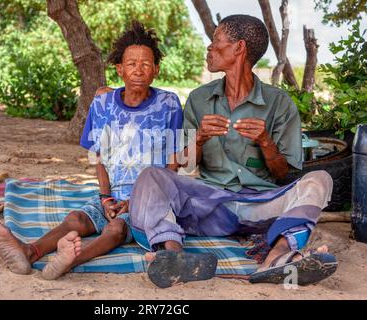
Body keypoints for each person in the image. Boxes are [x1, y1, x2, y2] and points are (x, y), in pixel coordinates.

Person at [129, 14, 337, 288]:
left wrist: (265, 142)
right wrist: (200, 139)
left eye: (216, 41)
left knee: (320, 179)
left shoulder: (278, 103)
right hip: (209, 208)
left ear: (238, 48)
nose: (209, 48)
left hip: (262, 208)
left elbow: (282, 172)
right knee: (151, 176)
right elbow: (183, 165)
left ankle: (275, 258)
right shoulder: (199, 99)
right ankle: (173, 256)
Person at [0, 21, 183, 280]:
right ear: (119, 69)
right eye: (131, 64)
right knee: (76, 218)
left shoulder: (169, 104)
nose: (138, 70)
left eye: (146, 64)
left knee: (116, 230)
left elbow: (175, 163)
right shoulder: (103, 104)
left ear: (156, 69)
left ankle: (69, 259)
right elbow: (99, 157)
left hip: (148, 201)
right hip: (111, 196)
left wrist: (134, 202)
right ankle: (29, 251)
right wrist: (105, 198)